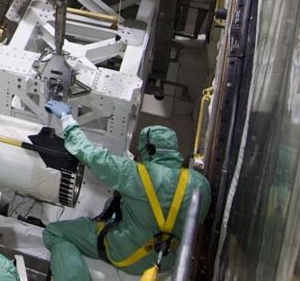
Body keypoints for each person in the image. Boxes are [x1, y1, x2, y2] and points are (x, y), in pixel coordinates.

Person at [41, 101, 210, 281]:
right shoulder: (200, 183)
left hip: (128, 255)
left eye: (142, 150)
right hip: (166, 260)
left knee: (55, 232)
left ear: (150, 150)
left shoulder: (139, 175)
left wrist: (66, 118)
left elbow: (90, 154)